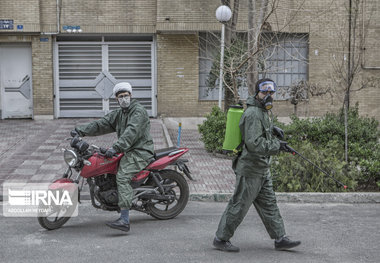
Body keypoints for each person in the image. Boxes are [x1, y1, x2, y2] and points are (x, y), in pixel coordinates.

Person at [213, 78, 301, 252]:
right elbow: (254, 144)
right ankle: (220, 239)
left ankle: (280, 238)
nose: (268, 95)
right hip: (250, 169)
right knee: (239, 205)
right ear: (257, 93)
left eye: (271, 92)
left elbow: (260, 132)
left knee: (270, 205)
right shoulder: (253, 113)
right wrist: (278, 146)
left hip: (261, 168)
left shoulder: (263, 112)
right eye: (264, 92)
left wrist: (272, 129)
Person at [72, 82, 154, 232]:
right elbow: (102, 124)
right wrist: (80, 131)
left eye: (126, 96)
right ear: (116, 99)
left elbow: (131, 132)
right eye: (120, 97)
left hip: (140, 151)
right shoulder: (120, 113)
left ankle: (124, 219)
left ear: (131, 95)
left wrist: (115, 148)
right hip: (127, 150)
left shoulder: (138, 111)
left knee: (122, 177)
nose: (123, 99)